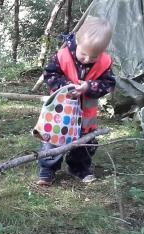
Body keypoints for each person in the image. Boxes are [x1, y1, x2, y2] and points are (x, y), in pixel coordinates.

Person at [37, 16, 116, 186]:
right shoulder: (62, 56)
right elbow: (49, 75)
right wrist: (66, 87)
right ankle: (47, 169)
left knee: (85, 143)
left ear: (102, 52)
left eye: (93, 57)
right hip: (61, 111)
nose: (87, 59)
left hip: (86, 115)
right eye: (83, 54)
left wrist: (89, 86)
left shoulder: (105, 63)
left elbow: (108, 85)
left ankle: (78, 168)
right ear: (77, 42)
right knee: (53, 140)